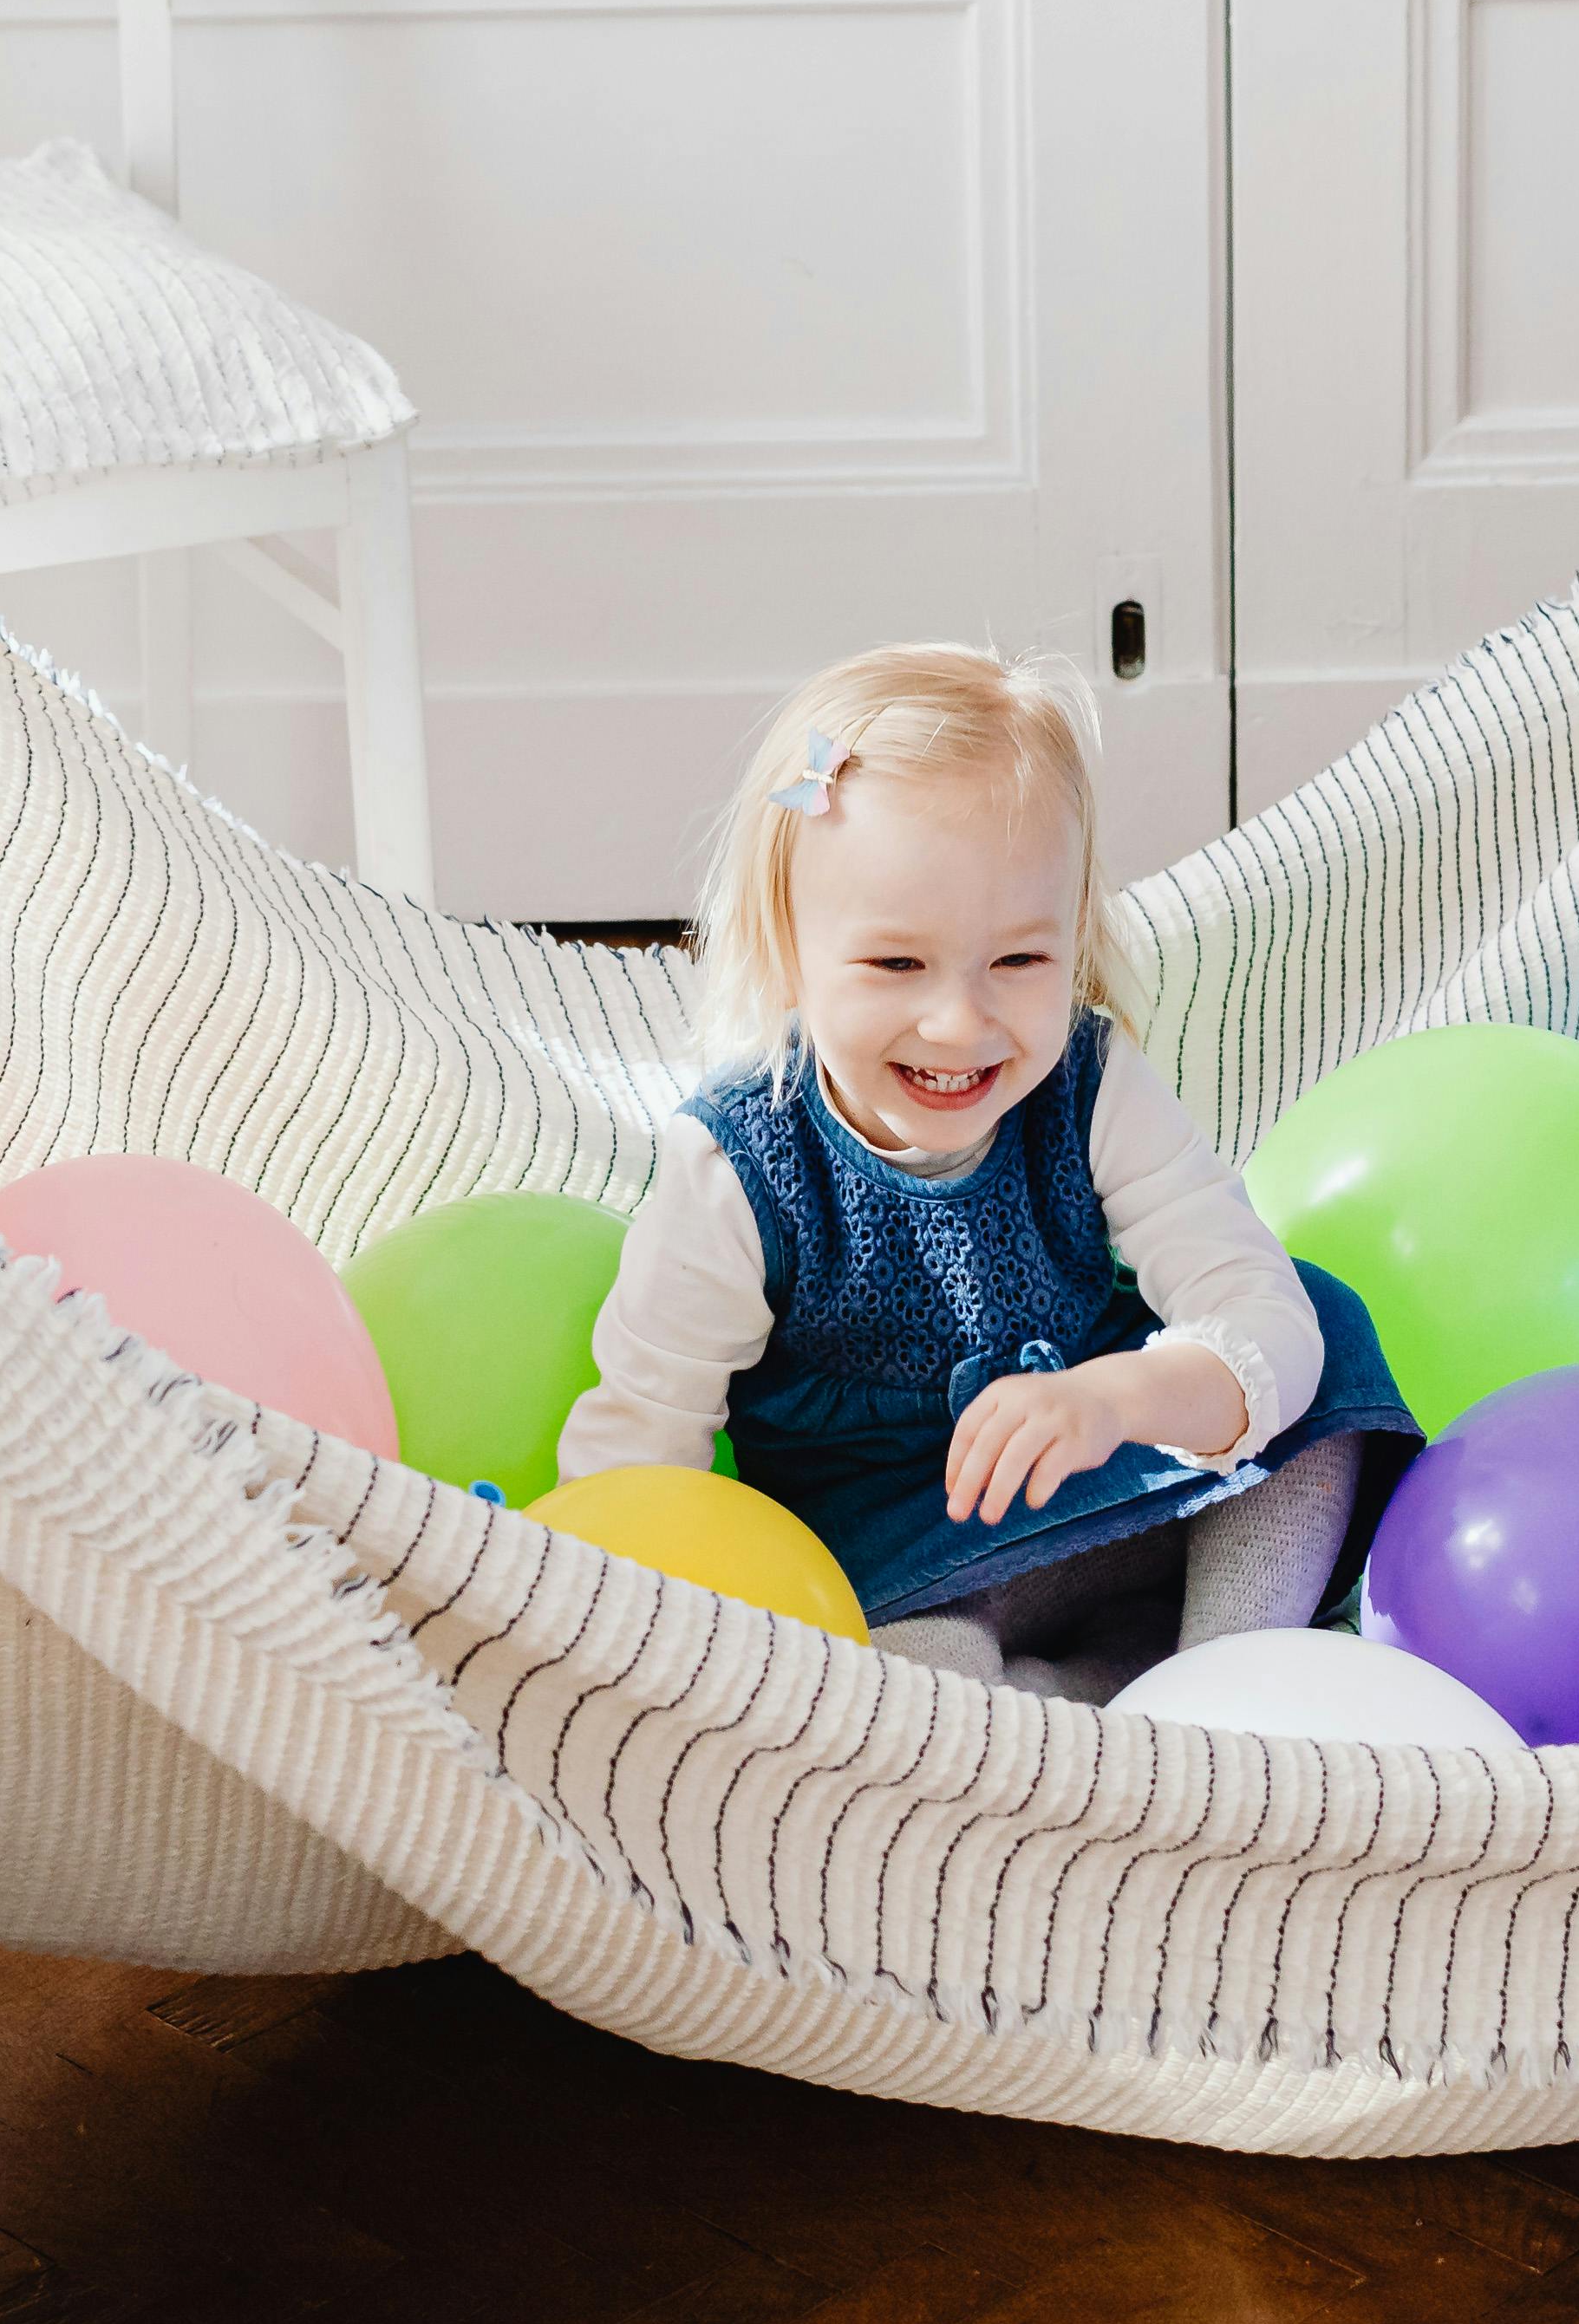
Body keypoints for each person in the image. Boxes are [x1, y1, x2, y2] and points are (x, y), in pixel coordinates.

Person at [553, 645, 1419, 1694]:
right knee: (911, 1683)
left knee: (1314, 1336)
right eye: (895, 963)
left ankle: (1227, 1677)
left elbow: (1254, 1310)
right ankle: (1068, 1708)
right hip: (906, 1566)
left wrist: (1117, 1397)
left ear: (1075, 941)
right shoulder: (737, 1168)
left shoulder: (1093, 1087)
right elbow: (641, 1451)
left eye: (1018, 961)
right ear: (789, 948)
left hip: (1124, 1485)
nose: (960, 1022)